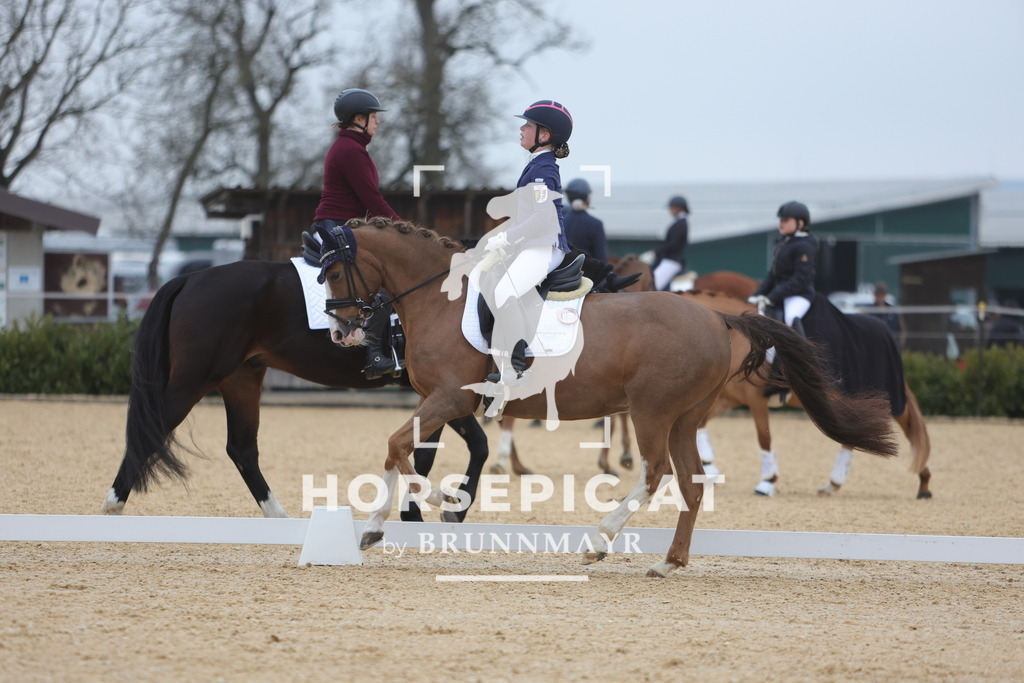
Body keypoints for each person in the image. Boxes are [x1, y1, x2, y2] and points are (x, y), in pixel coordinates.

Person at [310, 88, 403, 380]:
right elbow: (372, 199)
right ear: (359, 119)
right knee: (380, 277)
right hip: (338, 227)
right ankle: (375, 353)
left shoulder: (353, 148)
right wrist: (406, 232)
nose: (378, 123)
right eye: (374, 117)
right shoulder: (350, 150)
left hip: (344, 225)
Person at [748, 200, 819, 333]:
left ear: (800, 223)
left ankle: (802, 353)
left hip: (799, 295)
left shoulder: (805, 245)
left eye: (786, 220)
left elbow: (801, 278)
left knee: (791, 317)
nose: (781, 223)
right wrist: (757, 294)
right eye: (781, 220)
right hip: (780, 294)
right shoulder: (784, 243)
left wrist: (772, 296)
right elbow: (773, 274)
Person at [562, 178, 608, 262]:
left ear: (569, 198)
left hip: (561, 274)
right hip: (587, 274)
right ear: (587, 198)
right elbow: (601, 260)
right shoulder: (596, 224)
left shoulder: (559, 223)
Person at [652, 195, 689, 290]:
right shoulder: (679, 223)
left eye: (671, 207)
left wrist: (656, 252)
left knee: (653, 286)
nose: (669, 210)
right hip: (668, 259)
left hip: (671, 261)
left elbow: (673, 244)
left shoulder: (681, 224)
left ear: (678, 207)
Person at [868, 281, 906, 348]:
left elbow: (901, 329)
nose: (880, 297)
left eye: (882, 294)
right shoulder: (869, 311)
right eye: (878, 294)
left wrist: (899, 345)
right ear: (874, 295)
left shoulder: (893, 311)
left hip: (890, 345)